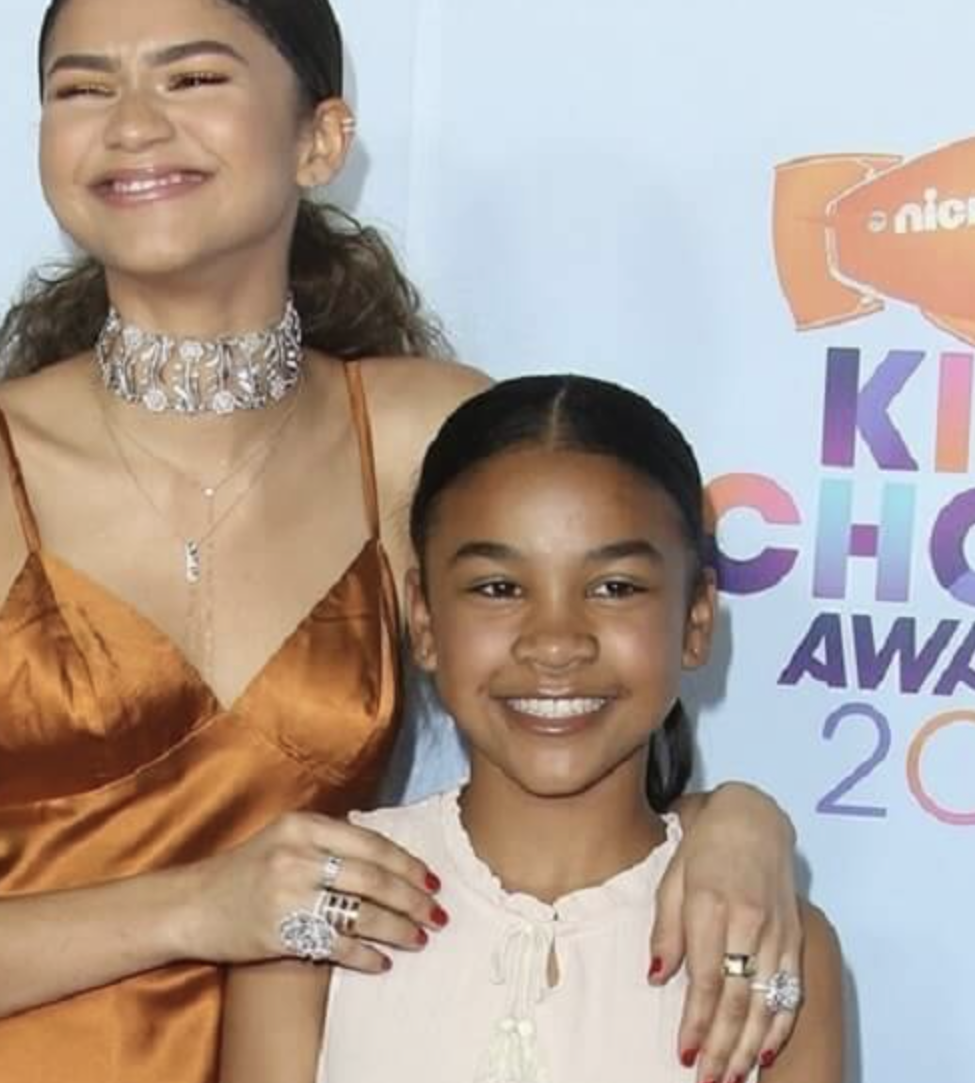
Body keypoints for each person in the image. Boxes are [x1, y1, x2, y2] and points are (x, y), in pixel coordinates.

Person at [0, 0, 804, 1082]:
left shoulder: (411, 435)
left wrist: (741, 820)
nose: (132, 125)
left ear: (319, 138)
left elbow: (561, 708)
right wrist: (197, 906)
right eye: (82, 88)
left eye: (192, 77)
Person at [221, 376, 844, 1083]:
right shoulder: (318, 910)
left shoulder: (765, 943)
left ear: (696, 619)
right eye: (499, 588)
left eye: (615, 588)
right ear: (423, 620)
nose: (555, 643)